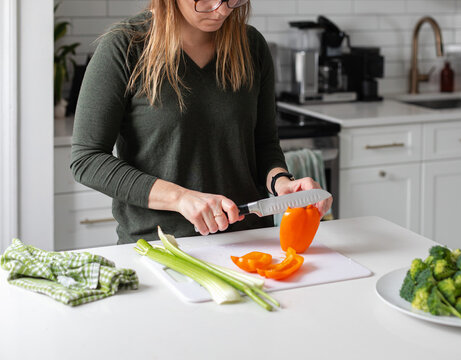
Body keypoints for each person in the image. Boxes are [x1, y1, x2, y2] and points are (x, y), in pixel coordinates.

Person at [71, 0, 332, 244]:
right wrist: (180, 198)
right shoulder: (125, 46)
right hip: (162, 246)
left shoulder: (252, 46)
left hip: (249, 242)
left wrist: (282, 183)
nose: (221, 10)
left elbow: (263, 144)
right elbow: (87, 159)